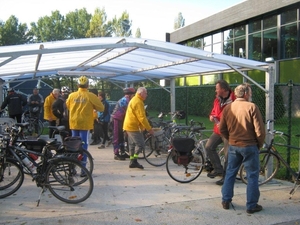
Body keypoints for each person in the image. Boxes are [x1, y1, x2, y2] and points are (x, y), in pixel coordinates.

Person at [219, 83, 265, 214]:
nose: (250, 95)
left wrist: (230, 138)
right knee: (252, 176)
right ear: (245, 94)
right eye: (249, 93)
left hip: (234, 145)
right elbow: (260, 131)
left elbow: (222, 129)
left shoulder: (228, 108)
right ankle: (251, 205)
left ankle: (226, 200)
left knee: (230, 173)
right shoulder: (252, 107)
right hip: (249, 146)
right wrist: (258, 144)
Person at [66, 76, 104, 176]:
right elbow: (101, 108)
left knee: (73, 146)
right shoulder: (91, 96)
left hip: (74, 123)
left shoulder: (71, 95)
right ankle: (83, 170)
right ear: (87, 85)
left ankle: (72, 169)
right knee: (83, 146)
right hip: (85, 124)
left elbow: (68, 106)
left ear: (78, 85)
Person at [205, 80, 235, 185]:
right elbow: (214, 111)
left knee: (228, 155)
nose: (215, 90)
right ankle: (218, 169)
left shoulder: (234, 100)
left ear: (223, 89)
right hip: (218, 130)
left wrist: (223, 122)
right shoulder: (217, 100)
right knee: (209, 146)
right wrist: (211, 116)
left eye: (217, 88)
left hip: (228, 131)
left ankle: (226, 177)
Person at [123, 87, 154, 169]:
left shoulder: (134, 99)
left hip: (129, 125)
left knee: (132, 145)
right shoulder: (138, 102)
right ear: (141, 93)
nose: (147, 95)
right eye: (146, 93)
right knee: (141, 145)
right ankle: (134, 161)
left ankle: (132, 161)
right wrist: (149, 129)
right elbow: (142, 118)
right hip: (133, 127)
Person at [111, 87, 136, 160]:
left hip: (121, 119)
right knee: (117, 136)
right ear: (130, 94)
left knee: (121, 136)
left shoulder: (126, 99)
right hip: (116, 119)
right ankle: (116, 154)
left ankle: (122, 152)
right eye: (133, 94)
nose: (134, 96)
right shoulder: (126, 100)